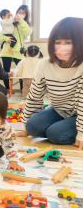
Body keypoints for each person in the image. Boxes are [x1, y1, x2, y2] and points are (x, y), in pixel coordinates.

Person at [19, 17, 83, 150]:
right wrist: (24, 126)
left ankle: (64, 129)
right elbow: (34, 95)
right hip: (59, 110)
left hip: (79, 113)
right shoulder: (44, 64)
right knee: (32, 126)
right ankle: (62, 127)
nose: (61, 47)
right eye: (57, 42)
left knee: (56, 134)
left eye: (68, 42)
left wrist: (81, 135)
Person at [0, 5, 32, 91]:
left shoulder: (26, 25)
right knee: (6, 72)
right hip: (7, 51)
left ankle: (22, 90)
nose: (20, 14)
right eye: (19, 12)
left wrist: (21, 21)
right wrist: (7, 39)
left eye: (23, 13)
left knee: (21, 71)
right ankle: (8, 90)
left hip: (19, 53)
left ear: (26, 15)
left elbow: (28, 32)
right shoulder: (10, 22)